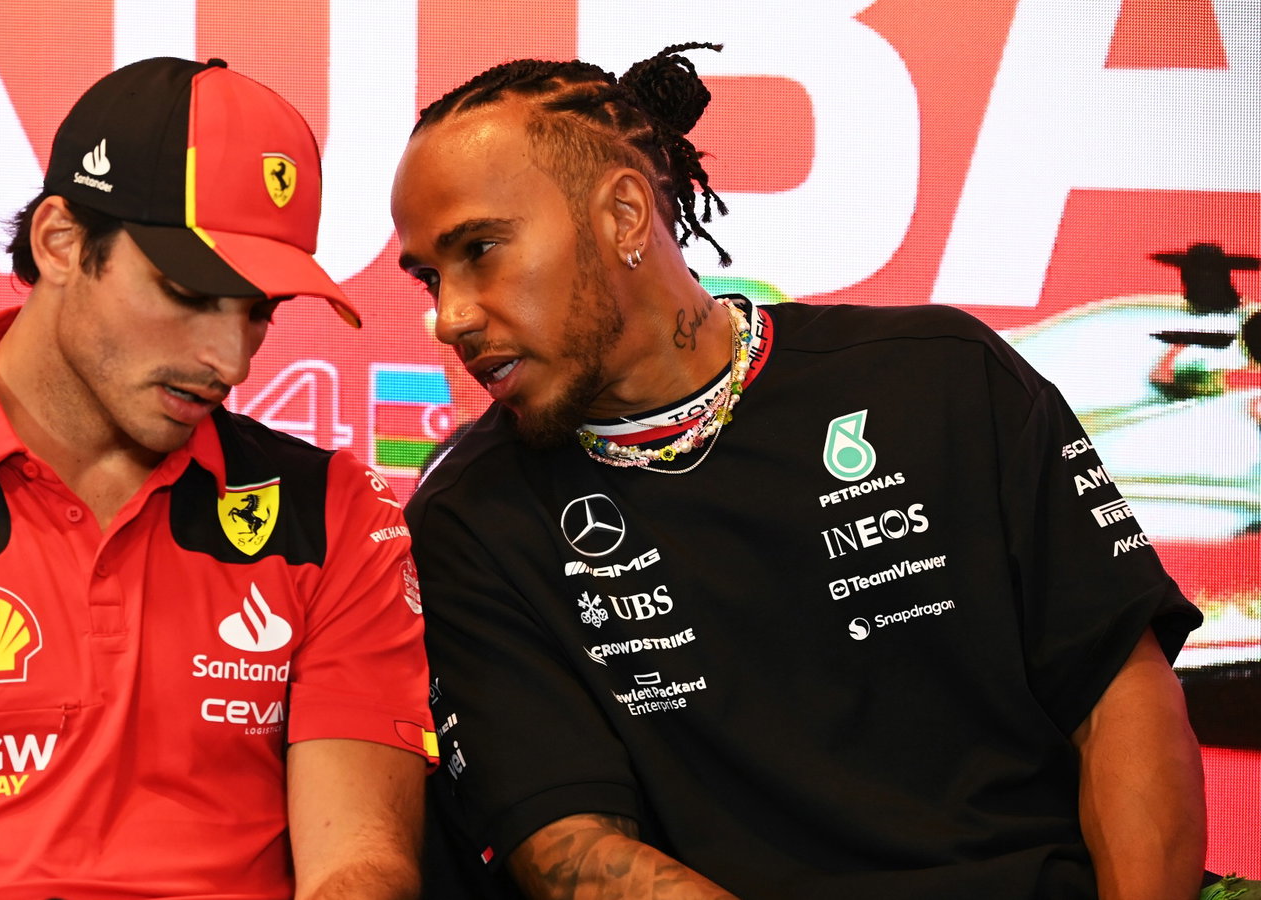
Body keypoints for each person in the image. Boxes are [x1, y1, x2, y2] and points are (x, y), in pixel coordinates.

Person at [393, 44, 1212, 899]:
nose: (447, 319)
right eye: (427, 278)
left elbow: (1121, 699)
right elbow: (568, 848)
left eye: (480, 249)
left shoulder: (942, 377)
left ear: (625, 214)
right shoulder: (470, 514)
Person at [0, 57, 435, 900]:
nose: (229, 359)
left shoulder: (337, 512)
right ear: (60, 241)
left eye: (258, 311)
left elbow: (363, 868)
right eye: (191, 293)